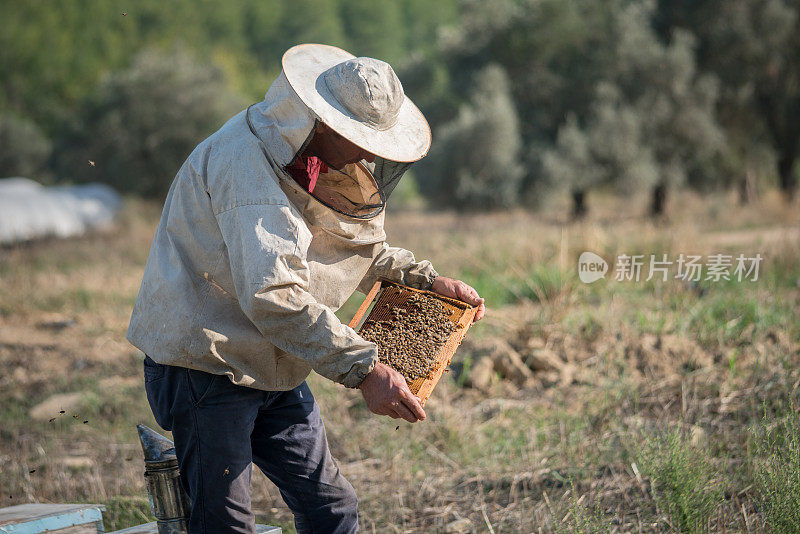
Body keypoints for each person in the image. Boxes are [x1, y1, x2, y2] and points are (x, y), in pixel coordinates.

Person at [127, 43, 485, 534]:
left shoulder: (316, 161)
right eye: (359, 140)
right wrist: (365, 369)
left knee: (332, 510)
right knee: (224, 525)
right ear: (323, 123)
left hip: (277, 364)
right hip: (208, 366)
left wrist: (423, 280)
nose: (367, 155)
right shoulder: (246, 167)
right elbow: (273, 294)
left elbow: (350, 246)